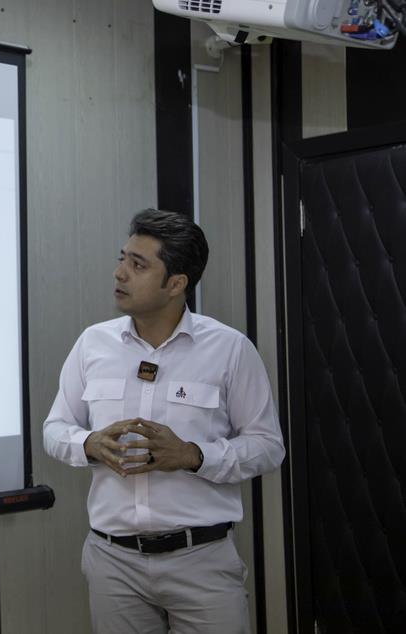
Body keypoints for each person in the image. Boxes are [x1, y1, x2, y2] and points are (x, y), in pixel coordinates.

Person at [43, 209, 285, 634]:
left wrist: (193, 455)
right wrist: (90, 444)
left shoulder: (229, 349)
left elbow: (268, 446)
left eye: (138, 265)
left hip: (202, 560)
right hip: (113, 563)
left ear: (176, 284)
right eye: (123, 258)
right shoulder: (93, 344)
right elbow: (55, 429)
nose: (120, 272)